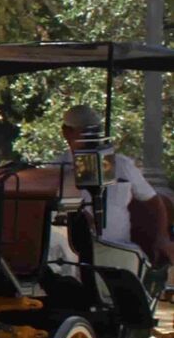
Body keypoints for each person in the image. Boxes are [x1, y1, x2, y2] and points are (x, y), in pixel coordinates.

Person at [59, 105, 174, 265]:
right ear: (66, 132)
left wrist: (162, 238)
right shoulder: (56, 170)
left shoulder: (121, 164)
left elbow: (153, 201)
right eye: (84, 130)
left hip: (121, 250)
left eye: (95, 130)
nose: (91, 136)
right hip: (71, 255)